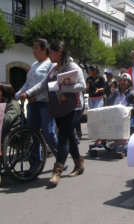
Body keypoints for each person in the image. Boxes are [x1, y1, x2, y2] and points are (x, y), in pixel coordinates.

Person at [20, 41, 86, 185]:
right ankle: (79, 164)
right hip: (59, 108)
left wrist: (63, 87)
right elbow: (43, 84)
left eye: (51, 52)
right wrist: (28, 92)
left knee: (63, 137)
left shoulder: (72, 67)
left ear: (59, 52)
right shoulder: (53, 69)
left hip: (74, 107)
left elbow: (82, 85)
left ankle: (56, 172)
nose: (49, 55)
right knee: (70, 137)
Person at [15, 38, 58, 157]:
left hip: (45, 104)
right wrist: (17, 94)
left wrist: (34, 96)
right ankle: (35, 163)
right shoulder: (34, 65)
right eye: (33, 48)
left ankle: (60, 157)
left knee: (48, 133)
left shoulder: (51, 65)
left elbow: (47, 85)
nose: (33, 51)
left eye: (36, 48)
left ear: (44, 50)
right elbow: (27, 83)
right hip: (32, 104)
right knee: (33, 133)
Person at [106, 73, 134, 148]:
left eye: (125, 81)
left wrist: (127, 109)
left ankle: (123, 139)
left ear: (129, 83)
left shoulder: (133, 93)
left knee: (121, 118)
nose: (122, 82)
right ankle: (102, 138)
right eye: (121, 81)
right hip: (114, 113)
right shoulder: (115, 93)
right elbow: (108, 103)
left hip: (126, 114)